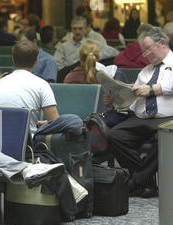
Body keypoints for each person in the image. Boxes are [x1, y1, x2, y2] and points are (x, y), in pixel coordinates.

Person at [107, 27, 173, 199]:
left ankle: (135, 182)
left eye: (148, 48)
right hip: (142, 117)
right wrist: (117, 101)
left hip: (168, 119)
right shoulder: (146, 71)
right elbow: (133, 101)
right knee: (115, 135)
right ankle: (147, 182)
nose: (146, 54)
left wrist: (151, 89)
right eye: (144, 51)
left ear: (163, 43)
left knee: (164, 137)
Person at [0, 40, 59, 136]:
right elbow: (56, 123)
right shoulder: (42, 85)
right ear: (36, 62)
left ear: (13, 60)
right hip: (26, 147)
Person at [54, 17, 120, 71]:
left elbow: (115, 52)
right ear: (71, 30)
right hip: (69, 75)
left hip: (89, 74)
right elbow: (57, 65)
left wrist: (98, 56)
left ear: (85, 29)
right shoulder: (63, 47)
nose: (77, 32)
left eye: (80, 28)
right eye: (75, 29)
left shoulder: (93, 44)